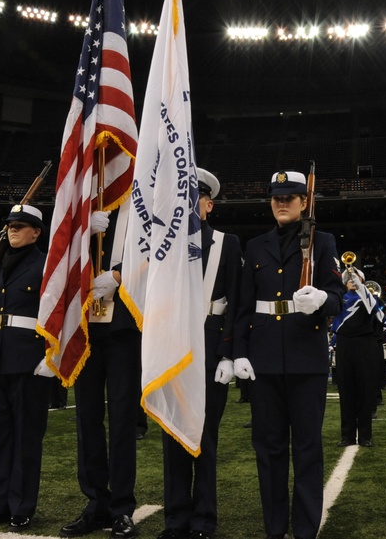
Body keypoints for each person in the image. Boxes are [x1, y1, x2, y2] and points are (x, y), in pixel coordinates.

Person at [233, 170, 343, 539]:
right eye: (276, 197)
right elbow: (244, 306)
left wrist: (324, 299)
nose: (282, 203)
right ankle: (275, 528)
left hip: (306, 358)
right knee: (269, 449)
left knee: (308, 449)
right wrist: (238, 353)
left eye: (290, 197)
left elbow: (339, 298)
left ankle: (305, 529)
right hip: (263, 359)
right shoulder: (255, 246)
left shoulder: (323, 242)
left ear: (304, 202)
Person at [157, 169, 242, 539]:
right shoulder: (163, 244)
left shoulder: (227, 243)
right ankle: (175, 519)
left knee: (205, 439)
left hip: (209, 352)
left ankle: (203, 520)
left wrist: (228, 354)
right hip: (171, 351)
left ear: (208, 204)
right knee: (173, 437)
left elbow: (237, 304)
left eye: (197, 199)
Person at [60, 204, 142, 539]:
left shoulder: (138, 207)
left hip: (123, 326)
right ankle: (96, 502)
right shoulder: (84, 205)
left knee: (123, 419)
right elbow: (59, 254)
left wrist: (119, 274)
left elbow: (158, 250)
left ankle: (122, 507)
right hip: (85, 326)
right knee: (87, 419)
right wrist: (82, 235)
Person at [0, 204, 52, 532]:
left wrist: (52, 354)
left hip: (28, 359)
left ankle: (22, 506)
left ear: (36, 232)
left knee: (26, 438)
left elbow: (56, 309)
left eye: (20, 226)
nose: (13, 231)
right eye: (9, 226)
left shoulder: (46, 263)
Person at [330, 264, 384, 448]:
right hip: (344, 343)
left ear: (361, 280)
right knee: (345, 390)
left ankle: (365, 436)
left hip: (365, 343)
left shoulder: (367, 297)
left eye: (354, 278)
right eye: (348, 278)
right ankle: (347, 436)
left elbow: (373, 309)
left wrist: (361, 287)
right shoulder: (340, 297)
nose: (351, 280)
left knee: (366, 389)